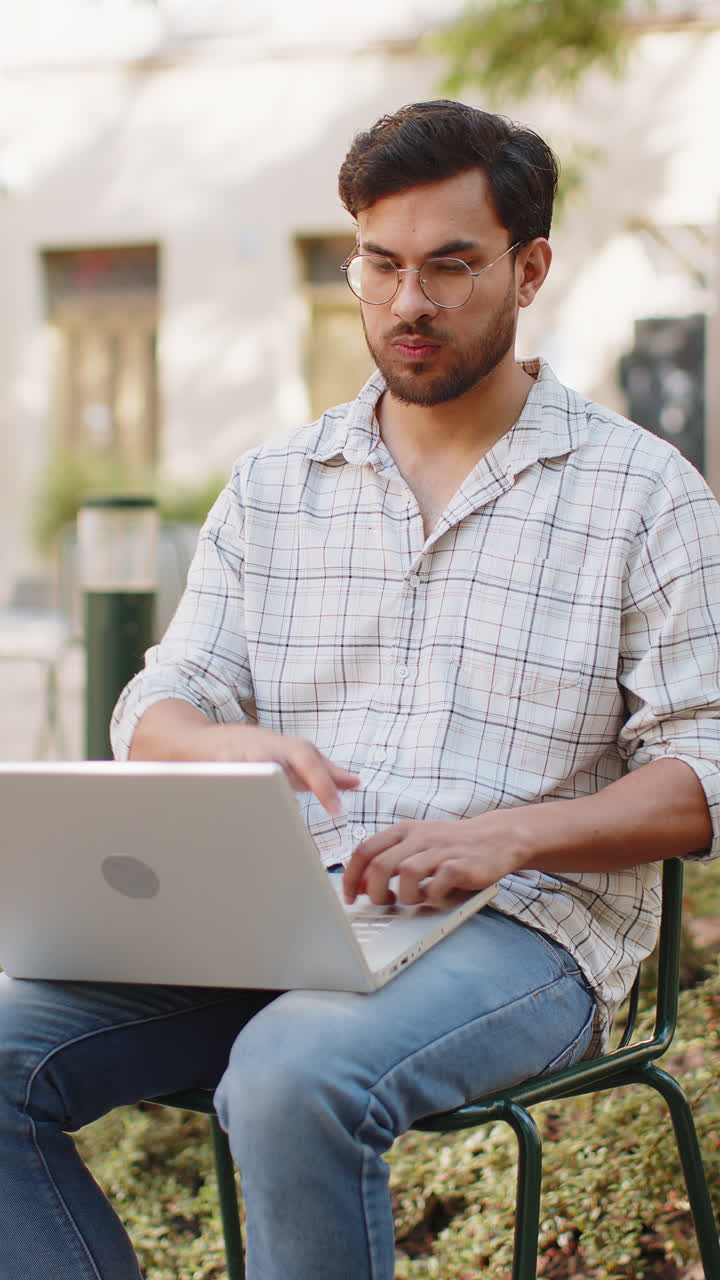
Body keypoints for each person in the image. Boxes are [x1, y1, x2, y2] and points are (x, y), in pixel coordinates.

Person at [2, 99, 719, 1280]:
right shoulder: (278, 483)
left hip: (527, 927)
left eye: (450, 266)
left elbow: (704, 778)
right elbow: (159, 699)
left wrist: (502, 836)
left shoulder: (643, 494)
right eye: (381, 266)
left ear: (530, 268)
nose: (407, 304)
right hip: (275, 910)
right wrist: (219, 744)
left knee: (291, 1075)